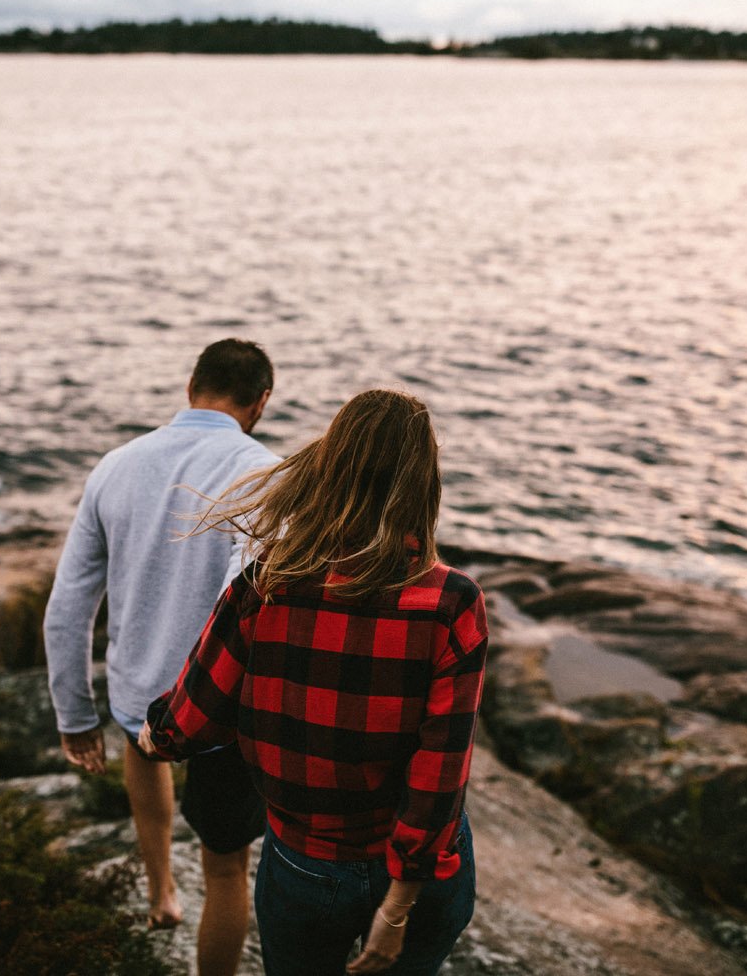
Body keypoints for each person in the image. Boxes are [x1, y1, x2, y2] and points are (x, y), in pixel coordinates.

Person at [140, 389, 488, 976]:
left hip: (304, 864)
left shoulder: (267, 582)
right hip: (418, 878)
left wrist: (155, 738)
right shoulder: (451, 603)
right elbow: (440, 769)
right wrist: (397, 905)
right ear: (423, 483)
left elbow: (190, 722)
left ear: (331, 466)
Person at [43, 338, 278, 976]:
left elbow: (68, 604)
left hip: (138, 687)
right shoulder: (269, 476)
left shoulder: (115, 466)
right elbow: (259, 604)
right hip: (226, 706)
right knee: (227, 867)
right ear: (259, 403)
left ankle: (160, 894)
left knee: (144, 748)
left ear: (189, 388)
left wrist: (73, 714)